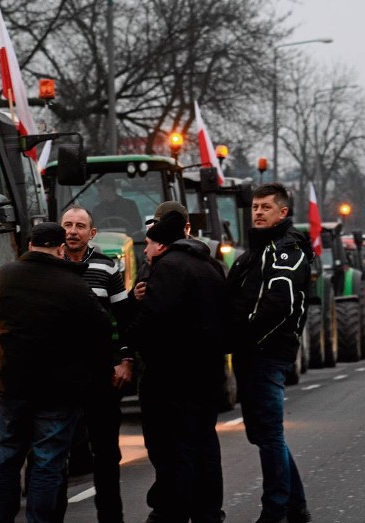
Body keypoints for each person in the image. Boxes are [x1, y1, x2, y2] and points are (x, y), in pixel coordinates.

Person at [0, 222, 113, 523]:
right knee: (46, 463)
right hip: (57, 392)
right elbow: (101, 328)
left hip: (10, 385)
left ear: (29, 246)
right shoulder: (72, 285)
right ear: (60, 248)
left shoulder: (2, 277)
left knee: (5, 461)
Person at [125, 210, 228, 523]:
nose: (144, 249)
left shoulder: (168, 268)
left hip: (171, 377)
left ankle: (174, 510)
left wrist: (134, 317)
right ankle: (208, 511)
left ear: (162, 245)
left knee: (174, 448)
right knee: (205, 444)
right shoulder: (211, 266)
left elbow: (152, 322)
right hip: (208, 374)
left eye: (149, 243)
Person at [226, 183, 314, 523]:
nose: (259, 212)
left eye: (266, 207)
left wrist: (243, 338)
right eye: (255, 207)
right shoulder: (255, 251)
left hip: (266, 352)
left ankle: (274, 510)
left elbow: (280, 303)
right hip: (252, 353)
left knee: (269, 434)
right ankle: (295, 508)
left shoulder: (284, 251)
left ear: (283, 212)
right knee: (262, 433)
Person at [59, 205, 134, 523]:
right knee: (55, 454)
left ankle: (111, 517)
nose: (72, 231)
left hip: (101, 376)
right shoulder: (49, 266)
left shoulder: (107, 267)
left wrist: (126, 360)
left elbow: (124, 318)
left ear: (92, 234)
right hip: (59, 378)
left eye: (79, 226)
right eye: (67, 225)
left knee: (106, 453)